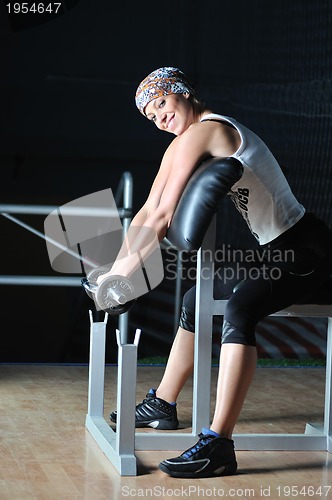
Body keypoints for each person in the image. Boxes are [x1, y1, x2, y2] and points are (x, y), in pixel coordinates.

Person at [97, 67, 332, 478]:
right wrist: (114, 276)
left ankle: (219, 444)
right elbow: (147, 212)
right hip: (275, 249)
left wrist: (124, 280)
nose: (159, 117)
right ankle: (164, 404)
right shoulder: (185, 140)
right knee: (194, 300)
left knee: (239, 310)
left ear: (182, 93)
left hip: (307, 249)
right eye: (151, 116)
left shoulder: (208, 130)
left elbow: (165, 215)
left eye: (162, 103)